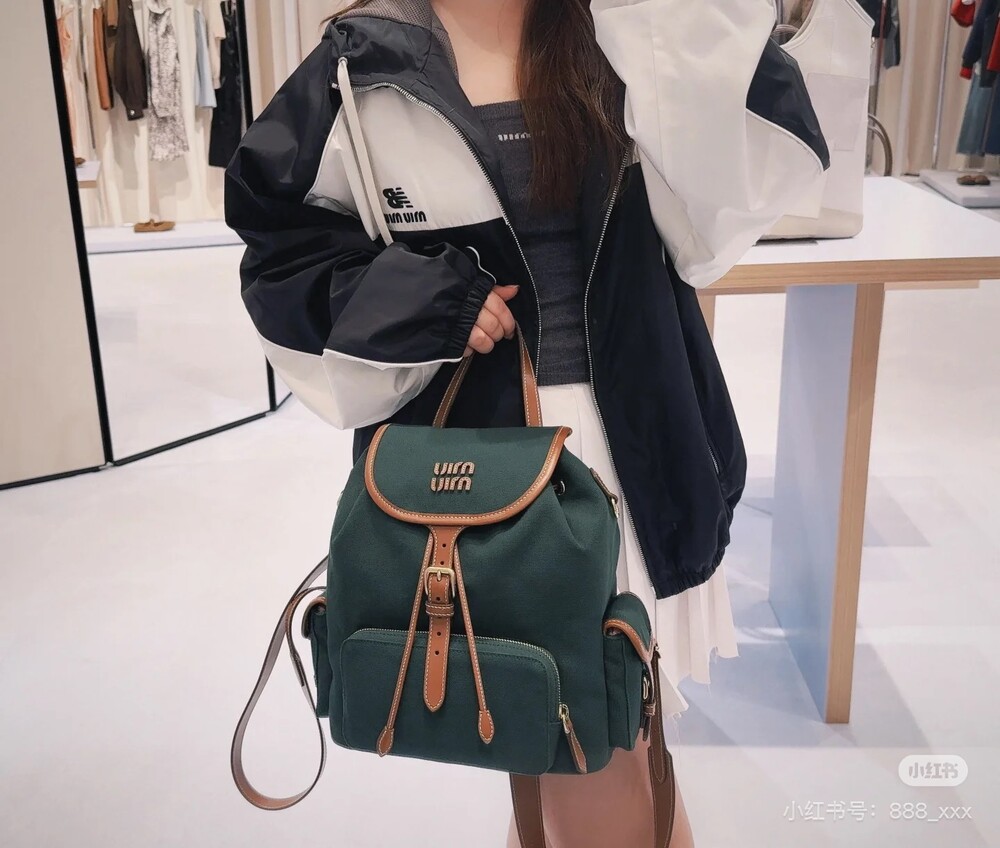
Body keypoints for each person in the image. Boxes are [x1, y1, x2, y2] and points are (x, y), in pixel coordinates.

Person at [225, 0, 829, 844]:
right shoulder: (361, 63)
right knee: (558, 741)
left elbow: (731, 199)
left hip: (627, 452)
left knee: (594, 748)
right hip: (477, 465)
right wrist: (423, 299)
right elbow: (281, 254)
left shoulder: (627, 27)